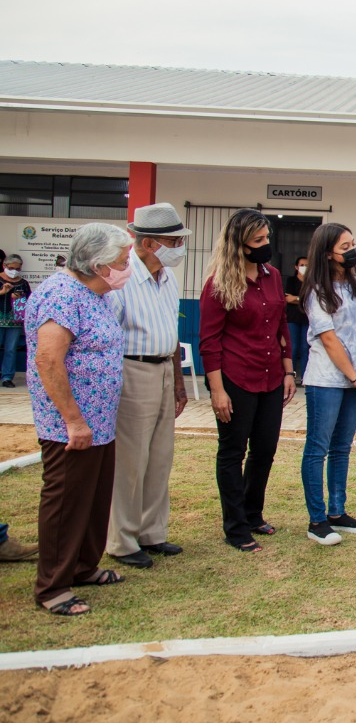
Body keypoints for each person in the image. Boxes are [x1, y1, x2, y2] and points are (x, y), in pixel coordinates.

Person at [26, 222, 132, 615]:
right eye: (122, 261)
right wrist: (73, 420)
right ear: (99, 264)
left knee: (93, 497)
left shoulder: (96, 294)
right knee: (67, 501)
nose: (126, 266)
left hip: (100, 421)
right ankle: (53, 586)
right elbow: (47, 360)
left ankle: (84, 566)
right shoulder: (60, 295)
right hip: (70, 425)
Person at [199, 208, 295, 554]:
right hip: (236, 378)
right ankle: (236, 526)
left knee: (265, 450)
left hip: (271, 378)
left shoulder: (271, 276)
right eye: (258, 240)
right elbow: (209, 342)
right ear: (239, 244)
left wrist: (288, 371)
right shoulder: (219, 285)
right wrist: (217, 391)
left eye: (267, 238)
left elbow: (282, 325)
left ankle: (253, 513)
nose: (265, 244)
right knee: (232, 452)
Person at [105, 203, 190, 569]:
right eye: (173, 240)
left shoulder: (167, 278)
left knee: (160, 456)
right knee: (130, 460)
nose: (179, 247)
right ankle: (122, 540)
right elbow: (110, 336)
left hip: (164, 370)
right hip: (133, 370)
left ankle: (153, 532)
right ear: (151, 243)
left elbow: (170, 332)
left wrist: (179, 382)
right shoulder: (123, 280)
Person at [299, 223, 356, 546]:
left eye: (353, 244)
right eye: (345, 247)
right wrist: (355, 376)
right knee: (318, 448)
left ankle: (337, 512)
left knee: (341, 448)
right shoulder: (317, 290)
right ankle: (316, 520)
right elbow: (329, 340)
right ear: (327, 253)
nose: (352, 251)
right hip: (327, 381)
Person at [0, 254, 32, 388]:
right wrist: (2, 292)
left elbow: (29, 300)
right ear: (4, 266)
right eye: (11, 268)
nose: (14, 271)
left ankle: (7, 377)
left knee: (11, 349)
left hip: (15, 321)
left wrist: (19, 297)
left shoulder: (23, 283)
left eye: (17, 269)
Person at [283, 255, 310, 383]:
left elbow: (311, 300)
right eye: (302, 265)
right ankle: (291, 376)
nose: (305, 268)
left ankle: (305, 377)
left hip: (307, 319)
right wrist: (302, 300)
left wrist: (296, 298)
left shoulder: (312, 283)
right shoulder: (291, 281)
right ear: (296, 267)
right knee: (293, 348)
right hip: (292, 319)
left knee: (305, 349)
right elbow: (287, 298)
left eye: (307, 265)